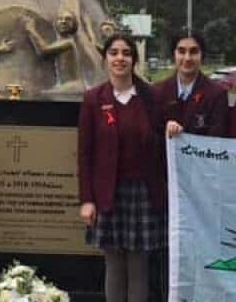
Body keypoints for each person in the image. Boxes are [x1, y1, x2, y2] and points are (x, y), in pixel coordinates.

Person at [77, 33, 166, 302]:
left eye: (126, 53)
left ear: (134, 60)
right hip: (108, 193)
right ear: (105, 59)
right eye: (114, 53)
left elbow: (163, 141)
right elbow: (85, 153)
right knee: (114, 264)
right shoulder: (94, 98)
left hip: (144, 193)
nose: (120, 58)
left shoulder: (151, 97)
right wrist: (87, 200)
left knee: (139, 266)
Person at [157, 30, 229, 138]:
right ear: (174, 54)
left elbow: (217, 140)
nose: (187, 58)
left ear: (202, 55)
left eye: (193, 51)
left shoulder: (217, 95)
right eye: (181, 51)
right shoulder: (157, 92)